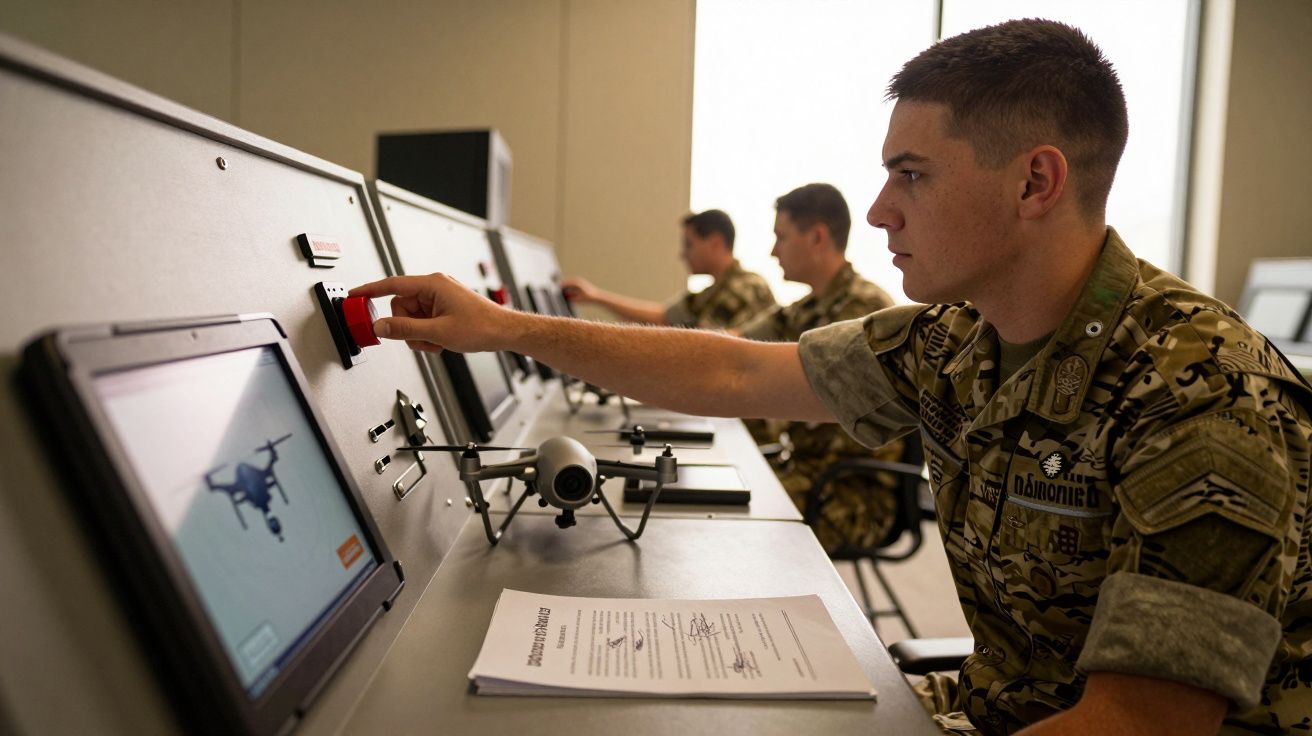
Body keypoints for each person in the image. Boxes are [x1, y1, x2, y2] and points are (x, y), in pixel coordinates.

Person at [350, 19, 1312, 736]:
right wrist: (500, 328)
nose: (882, 210)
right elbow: (732, 370)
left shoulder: (1199, 392)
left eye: (913, 175)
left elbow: (1146, 725)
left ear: (1035, 183)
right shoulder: (955, 341)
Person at [738, 183, 903, 553]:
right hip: (807, 472)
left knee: (729, 517)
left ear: (817, 237)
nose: (773, 251)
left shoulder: (864, 310)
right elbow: (736, 346)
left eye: (781, 237)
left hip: (850, 493)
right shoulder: (810, 308)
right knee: (721, 496)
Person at [562, 209, 776, 330]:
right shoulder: (714, 292)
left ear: (715, 243)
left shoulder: (745, 288)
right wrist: (596, 297)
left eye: (689, 245)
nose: (683, 254)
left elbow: (704, 348)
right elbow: (663, 317)